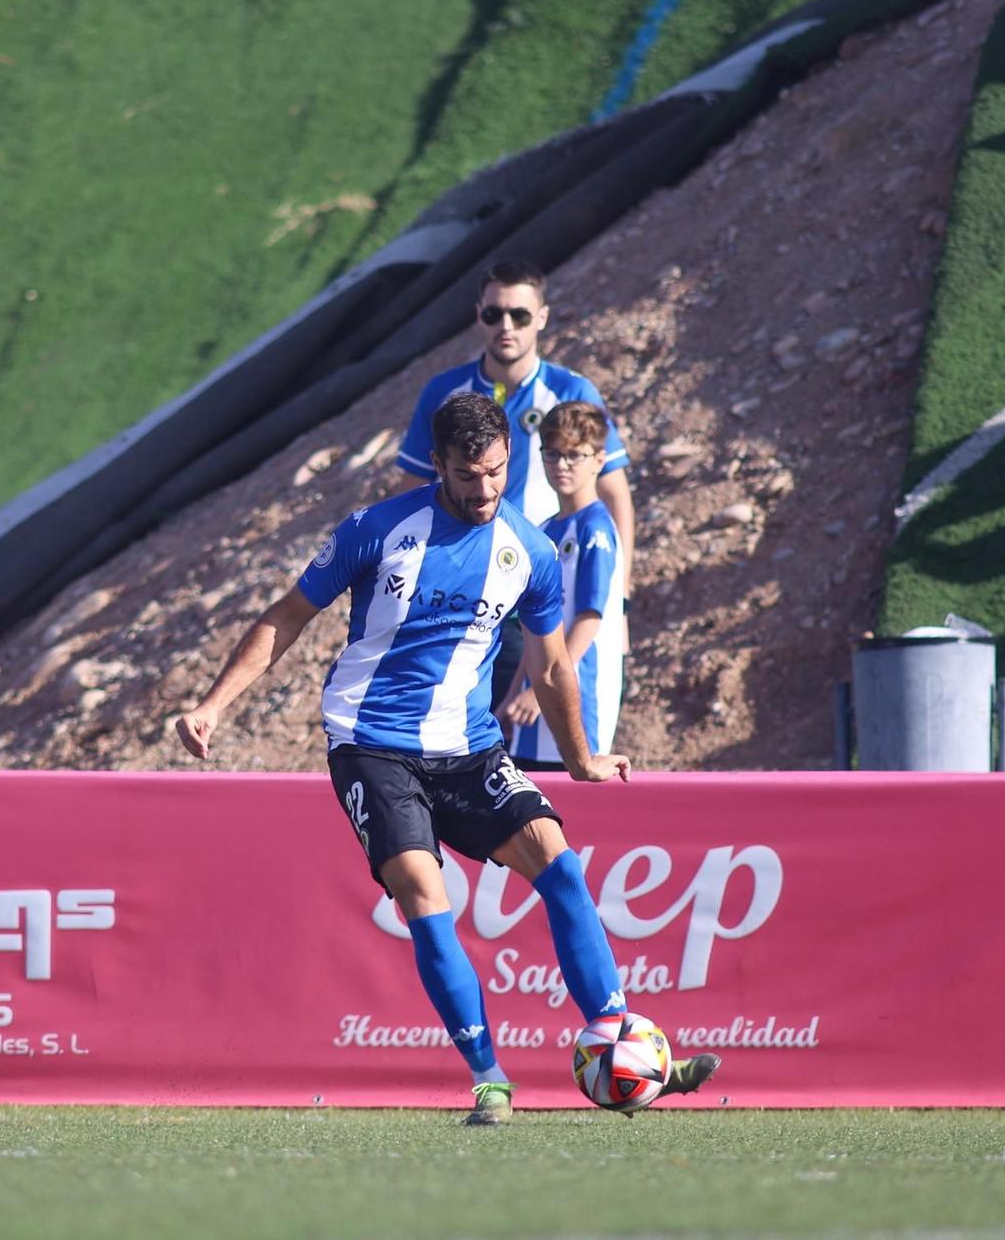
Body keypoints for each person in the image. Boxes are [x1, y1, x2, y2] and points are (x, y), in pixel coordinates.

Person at [174, 392, 716, 1124]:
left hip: (468, 748)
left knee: (559, 862)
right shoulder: (376, 530)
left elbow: (552, 668)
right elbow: (286, 617)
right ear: (439, 466)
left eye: (496, 472)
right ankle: (490, 1078)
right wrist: (214, 704)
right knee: (428, 898)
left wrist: (582, 758)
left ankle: (624, 1042)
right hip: (372, 745)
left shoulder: (527, 549)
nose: (485, 488)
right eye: (469, 475)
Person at [397, 260, 637, 703]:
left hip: (541, 589)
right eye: (494, 314)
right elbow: (410, 490)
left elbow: (614, 492)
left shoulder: (572, 391)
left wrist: (618, 603)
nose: (505, 326)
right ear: (478, 316)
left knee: (538, 739)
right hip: (459, 593)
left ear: (541, 318)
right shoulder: (443, 392)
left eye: (520, 315)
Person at [499, 403, 625, 772]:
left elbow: (589, 618)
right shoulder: (545, 531)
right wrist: (514, 694)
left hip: (575, 697)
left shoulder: (596, 528)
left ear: (599, 459)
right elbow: (538, 628)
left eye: (574, 455)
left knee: (572, 810)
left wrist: (543, 693)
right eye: (552, 454)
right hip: (536, 695)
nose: (562, 465)